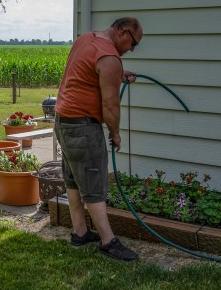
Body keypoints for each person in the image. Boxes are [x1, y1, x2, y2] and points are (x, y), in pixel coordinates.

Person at [54, 17, 142, 261]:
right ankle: (108, 241)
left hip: (63, 121)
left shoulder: (87, 39)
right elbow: (111, 107)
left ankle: (80, 232)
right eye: (133, 43)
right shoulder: (110, 58)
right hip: (83, 128)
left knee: (73, 180)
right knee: (93, 183)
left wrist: (119, 73)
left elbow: (88, 72)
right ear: (123, 32)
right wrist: (115, 134)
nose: (132, 49)